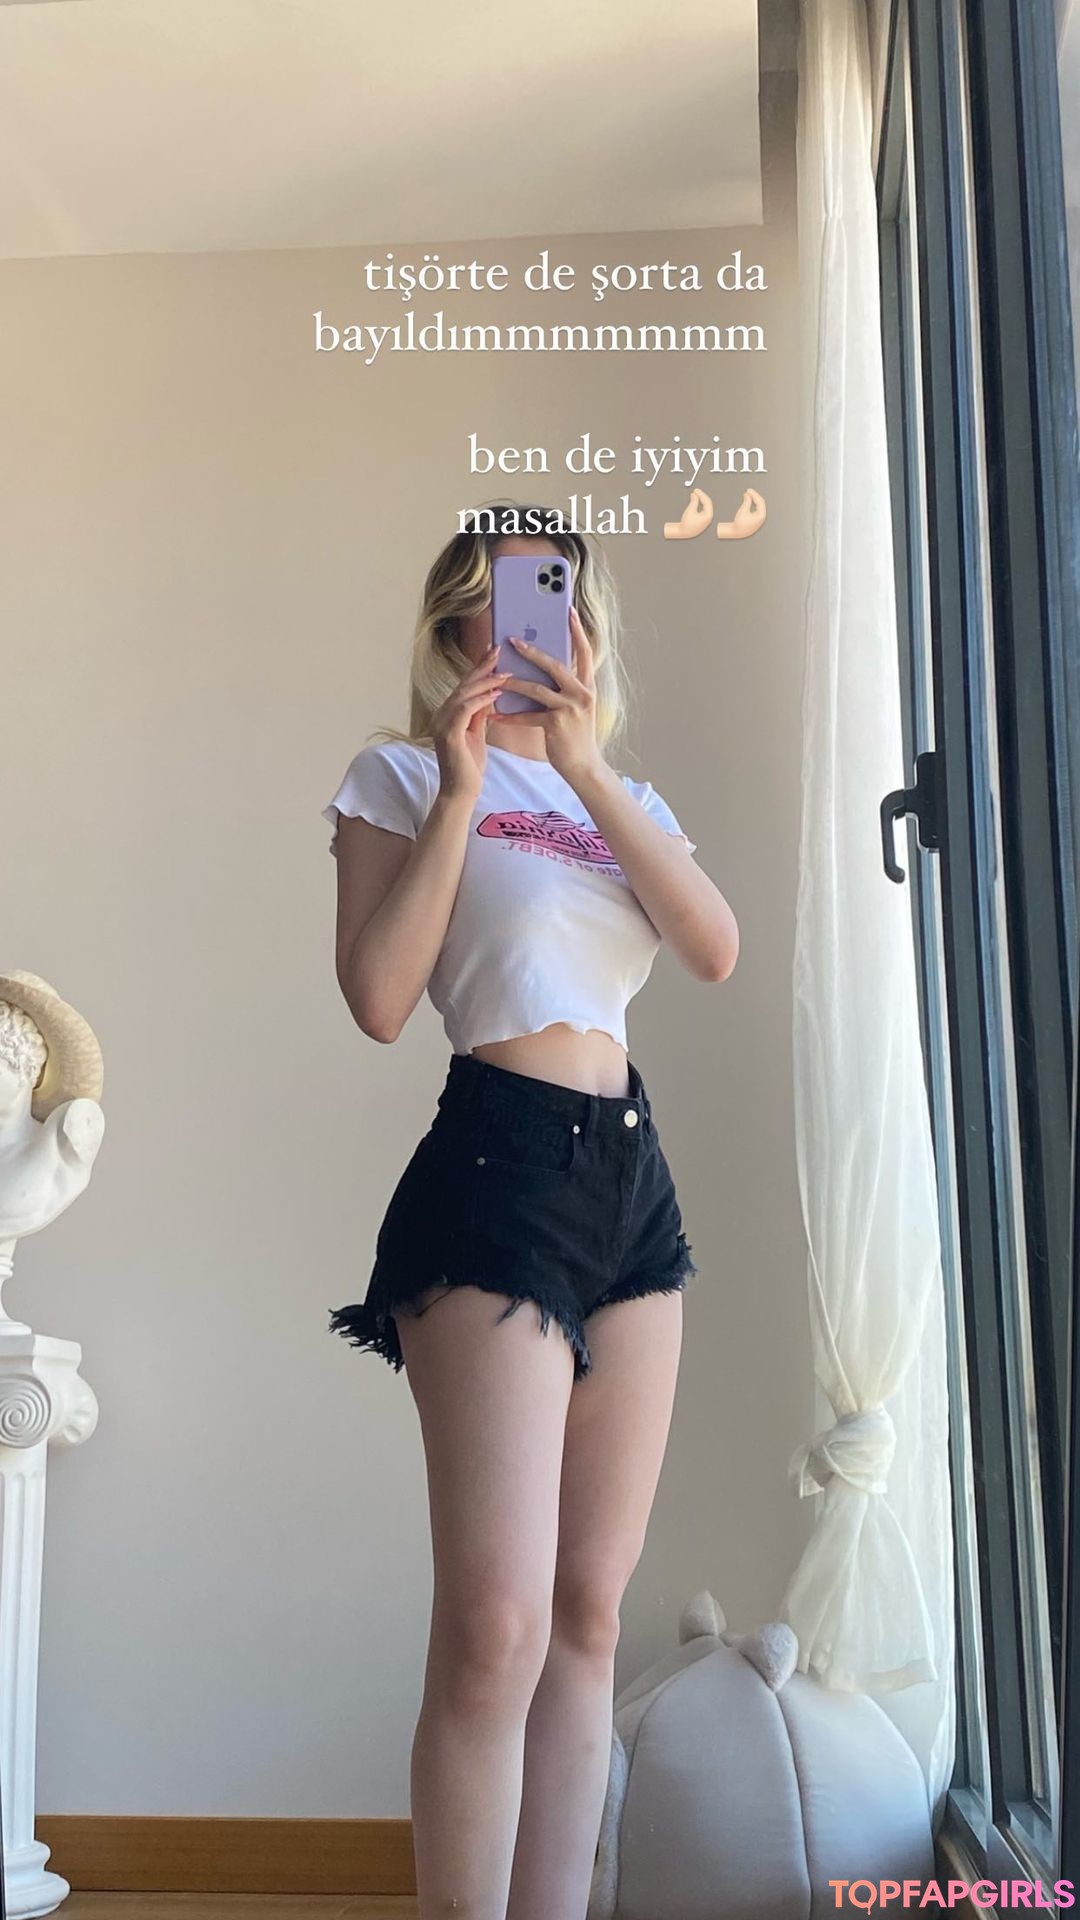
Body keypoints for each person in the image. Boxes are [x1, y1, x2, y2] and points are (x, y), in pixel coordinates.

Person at [322, 508, 739, 1920]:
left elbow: (713, 949)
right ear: (453, 628)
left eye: (557, 606)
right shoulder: (395, 778)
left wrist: (586, 766)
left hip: (630, 1178)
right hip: (496, 1166)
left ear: (588, 630)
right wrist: (458, 790)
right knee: (495, 1624)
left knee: (587, 1614)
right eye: (499, 606)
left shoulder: (627, 799)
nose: (528, 632)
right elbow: (381, 999)